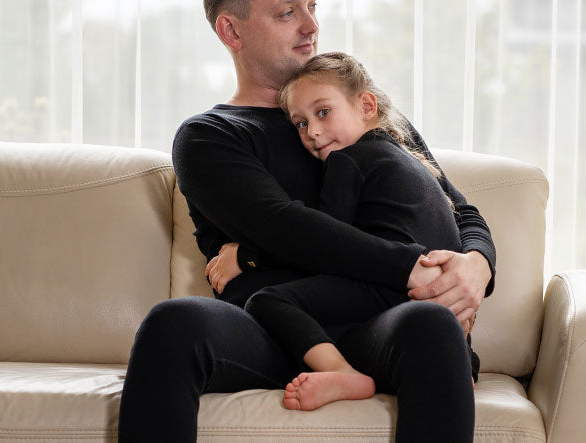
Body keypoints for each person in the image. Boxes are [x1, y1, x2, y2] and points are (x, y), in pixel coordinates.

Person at [117, 1, 495, 442]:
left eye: (312, 6)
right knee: (173, 323)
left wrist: (476, 265)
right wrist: (411, 265)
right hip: (276, 330)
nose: (311, 25)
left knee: (432, 325)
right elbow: (289, 228)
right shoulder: (210, 136)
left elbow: (457, 206)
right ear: (230, 31)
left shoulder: (359, 109)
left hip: (379, 317)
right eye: (286, 12)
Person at [206, 51, 481, 412]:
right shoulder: (403, 154)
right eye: (300, 124)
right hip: (439, 302)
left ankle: (340, 371)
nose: (313, 132)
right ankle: (465, 363)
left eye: (323, 113)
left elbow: (326, 238)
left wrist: (247, 257)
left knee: (268, 300)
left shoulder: (346, 160)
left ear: (366, 105)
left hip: (394, 284)